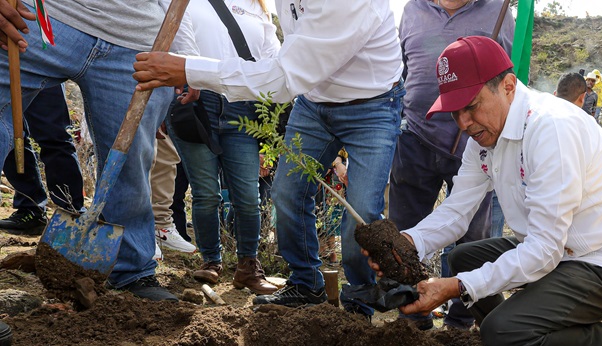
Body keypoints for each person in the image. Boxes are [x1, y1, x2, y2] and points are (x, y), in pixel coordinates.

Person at [369, 36, 602, 346]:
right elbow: (458, 210)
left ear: (507, 86)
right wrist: (407, 243)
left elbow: (543, 250)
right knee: (464, 260)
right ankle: (517, 341)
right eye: (454, 112)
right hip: (559, 248)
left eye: (471, 107)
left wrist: (457, 288)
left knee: (499, 330)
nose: (463, 122)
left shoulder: (550, 129)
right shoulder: (484, 136)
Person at [133, 0, 405, 317]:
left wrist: (187, 69)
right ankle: (306, 284)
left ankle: (358, 301)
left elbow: (282, 78)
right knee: (286, 193)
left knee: (360, 211)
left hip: (371, 105)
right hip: (313, 102)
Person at [0, 0, 175, 301]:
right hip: (39, 16)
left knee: (131, 160)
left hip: (136, 37)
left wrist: (185, 55)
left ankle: (132, 270)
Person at [388, 0, 515, 331]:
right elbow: (398, 72)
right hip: (415, 137)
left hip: (474, 141)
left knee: (473, 240)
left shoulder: (498, 10)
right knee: (407, 226)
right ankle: (413, 317)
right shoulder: (412, 10)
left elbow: (504, 73)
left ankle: (460, 325)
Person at [164, 0, 279, 295]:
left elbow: (273, 58)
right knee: (205, 193)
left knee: (248, 197)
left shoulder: (260, 9)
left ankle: (248, 267)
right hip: (198, 100)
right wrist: (192, 75)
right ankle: (211, 262)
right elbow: (180, 37)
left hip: (245, 106)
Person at [0, 85, 84, 236]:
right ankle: (31, 211)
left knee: (53, 135)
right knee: (7, 133)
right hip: (5, 66)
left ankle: (71, 215)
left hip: (44, 64)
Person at [150, 129, 196, 255]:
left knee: (166, 154)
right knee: (142, 154)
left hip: (157, 110)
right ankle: (139, 230)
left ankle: (161, 226)